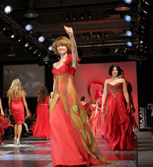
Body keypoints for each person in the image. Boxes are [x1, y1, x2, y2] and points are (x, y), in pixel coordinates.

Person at [49, 26, 108, 166]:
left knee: (71, 126)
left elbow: (75, 51)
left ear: (67, 47)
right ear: (56, 48)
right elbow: (54, 82)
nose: (61, 48)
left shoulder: (71, 61)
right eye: (59, 46)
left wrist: (71, 36)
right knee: (55, 125)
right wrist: (52, 96)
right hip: (56, 97)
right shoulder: (54, 64)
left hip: (68, 96)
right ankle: (61, 157)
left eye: (63, 45)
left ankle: (74, 155)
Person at [101, 64, 136, 150]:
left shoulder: (122, 80)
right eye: (113, 70)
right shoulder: (106, 81)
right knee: (112, 122)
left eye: (116, 70)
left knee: (123, 121)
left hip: (120, 101)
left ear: (118, 71)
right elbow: (105, 93)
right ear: (110, 71)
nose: (115, 71)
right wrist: (102, 105)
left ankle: (123, 143)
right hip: (111, 102)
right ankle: (115, 143)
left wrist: (128, 103)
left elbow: (125, 92)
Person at [7, 78, 30, 145]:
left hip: (13, 107)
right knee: (19, 123)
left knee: (16, 123)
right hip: (20, 107)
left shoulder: (10, 92)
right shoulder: (21, 91)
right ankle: (18, 139)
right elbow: (24, 102)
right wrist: (27, 110)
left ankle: (15, 137)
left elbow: (9, 101)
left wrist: (9, 109)